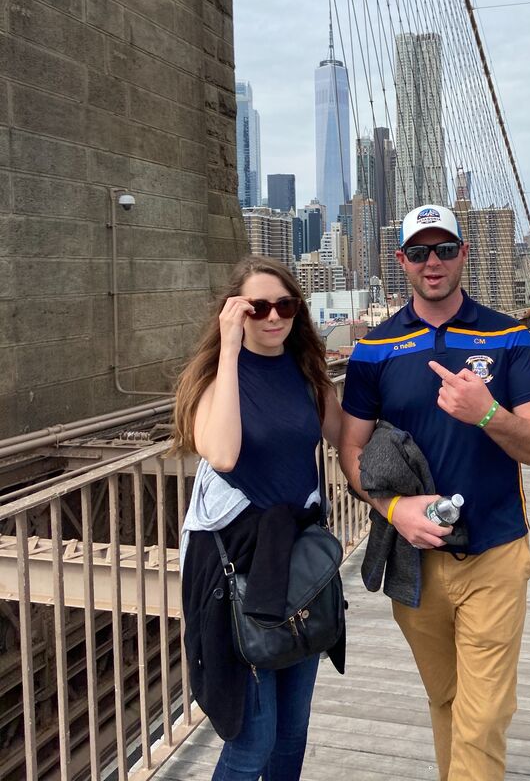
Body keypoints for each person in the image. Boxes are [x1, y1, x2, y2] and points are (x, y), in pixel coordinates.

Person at [339, 204, 530, 781]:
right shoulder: (373, 349)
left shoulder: (508, 337)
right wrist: (391, 507)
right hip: (414, 560)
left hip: (494, 553)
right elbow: (350, 451)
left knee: (483, 718)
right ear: (401, 261)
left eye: (442, 249)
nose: (431, 263)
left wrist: (487, 413)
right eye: (418, 251)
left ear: (464, 253)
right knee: (449, 701)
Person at [171, 255, 343, 781]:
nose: (273, 317)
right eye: (257, 307)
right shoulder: (211, 383)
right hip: (235, 571)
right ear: (234, 313)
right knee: (254, 741)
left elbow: (348, 439)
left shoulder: (309, 375)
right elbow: (221, 453)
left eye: (284, 305)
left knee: (292, 734)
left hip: (300, 564)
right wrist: (227, 349)